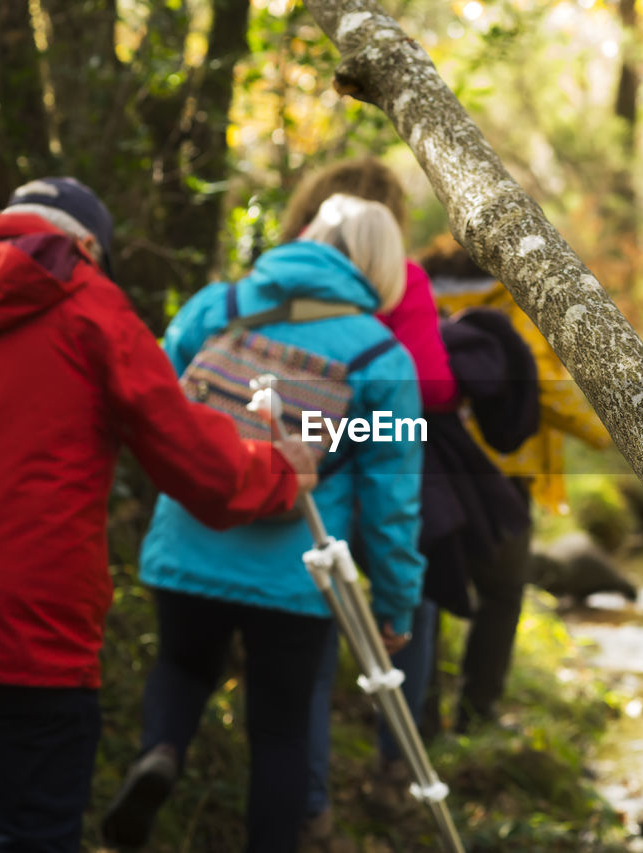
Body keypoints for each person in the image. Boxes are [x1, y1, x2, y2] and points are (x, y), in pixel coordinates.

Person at [0, 176, 316, 853]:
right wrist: (280, 470)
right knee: (35, 821)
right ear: (86, 244)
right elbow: (192, 458)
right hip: (34, 615)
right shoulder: (94, 311)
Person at [101, 194, 426, 853]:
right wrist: (396, 602)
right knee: (279, 731)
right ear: (379, 262)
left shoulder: (214, 307)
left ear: (306, 236)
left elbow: (155, 416)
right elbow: (393, 498)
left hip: (188, 541)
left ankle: (160, 750)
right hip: (295, 572)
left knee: (182, 667)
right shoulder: (381, 357)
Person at [278, 159, 458, 843]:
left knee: (309, 651)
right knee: (409, 603)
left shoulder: (276, 272)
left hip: (287, 487)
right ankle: (397, 769)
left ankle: (311, 806)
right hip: (373, 478)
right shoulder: (401, 280)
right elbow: (433, 386)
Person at [421, 235, 613, 732]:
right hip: (503, 474)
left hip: (428, 468)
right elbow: (543, 382)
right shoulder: (514, 303)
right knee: (502, 593)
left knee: (422, 594)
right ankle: (475, 715)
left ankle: (417, 723)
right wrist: (606, 429)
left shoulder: (413, 295)